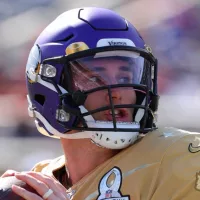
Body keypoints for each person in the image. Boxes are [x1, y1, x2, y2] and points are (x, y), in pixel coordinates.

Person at [1, 7, 200, 200]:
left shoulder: (181, 158)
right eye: (95, 78)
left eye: (124, 77)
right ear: (50, 86)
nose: (118, 93)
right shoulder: (34, 183)